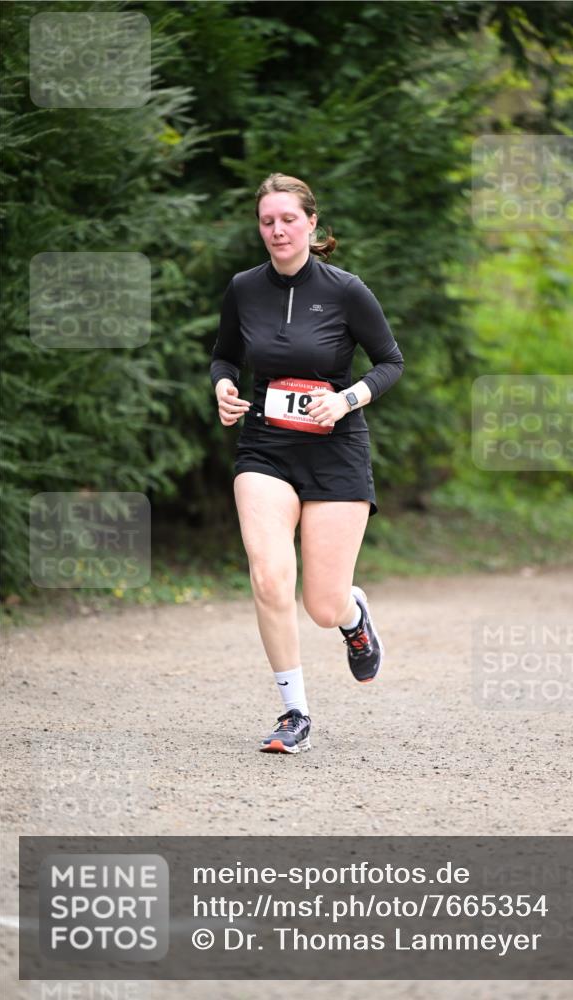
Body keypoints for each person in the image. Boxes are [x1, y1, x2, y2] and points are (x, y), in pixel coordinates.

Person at [210, 172, 404, 754]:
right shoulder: (244, 288)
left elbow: (391, 362)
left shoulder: (345, 290)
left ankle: (352, 615)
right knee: (269, 576)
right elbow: (224, 357)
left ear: (311, 223)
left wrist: (347, 398)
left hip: (335, 450)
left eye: (288, 219)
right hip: (265, 447)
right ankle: (294, 712)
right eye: (267, 221)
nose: (277, 231)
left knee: (322, 603)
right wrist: (223, 389)